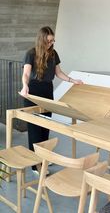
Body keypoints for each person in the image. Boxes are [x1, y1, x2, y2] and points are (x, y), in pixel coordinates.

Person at [20, 26, 83, 172]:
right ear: (42, 40)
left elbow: (59, 72)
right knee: (35, 128)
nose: (51, 43)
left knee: (45, 125)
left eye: (53, 41)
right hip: (33, 91)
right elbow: (26, 74)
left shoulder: (53, 53)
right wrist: (24, 86)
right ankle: (36, 165)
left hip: (47, 90)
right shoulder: (30, 53)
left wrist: (72, 80)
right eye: (48, 41)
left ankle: (44, 158)